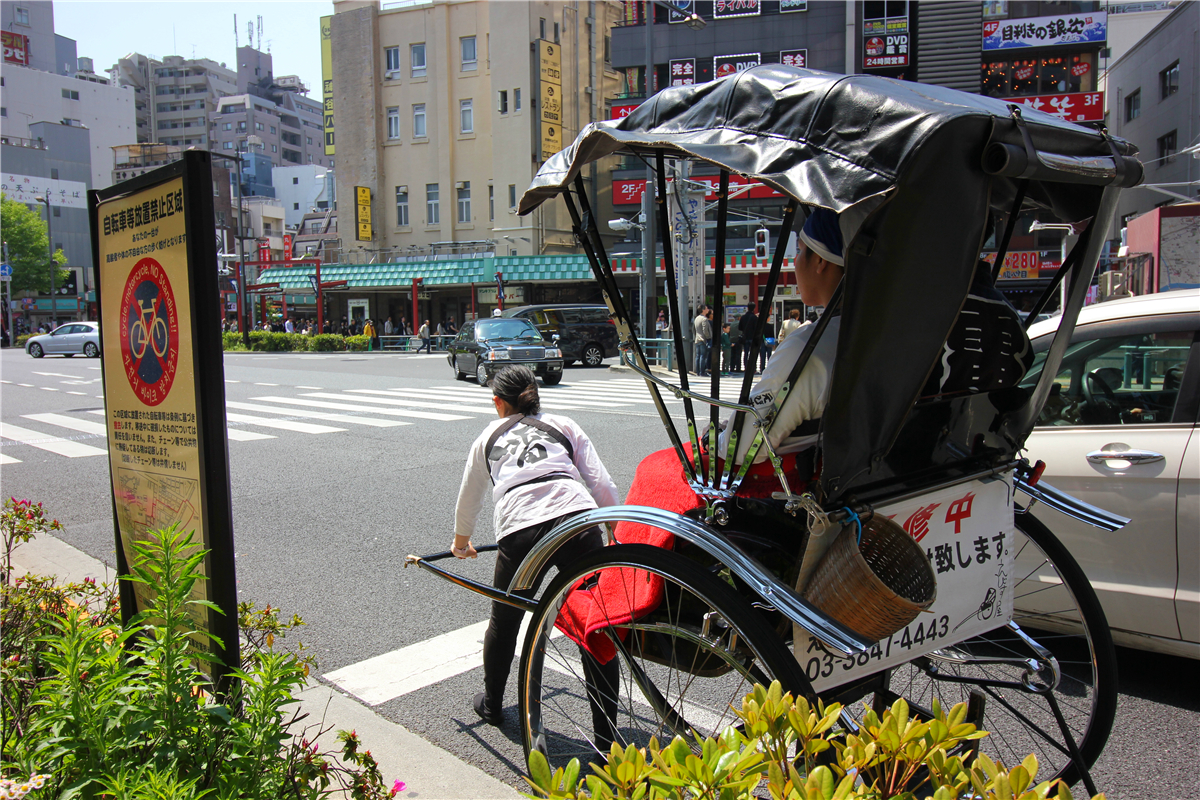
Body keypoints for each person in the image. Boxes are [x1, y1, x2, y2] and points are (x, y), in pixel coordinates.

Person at [451, 365, 621, 740]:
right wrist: (615, 530)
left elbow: (470, 498)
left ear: (498, 402)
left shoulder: (487, 437)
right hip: (577, 522)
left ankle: (493, 704)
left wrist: (461, 543)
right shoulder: (563, 424)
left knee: (505, 620)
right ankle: (608, 737)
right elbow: (600, 481)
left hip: (521, 529)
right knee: (593, 622)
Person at [716, 207, 844, 467]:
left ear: (820, 261)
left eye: (799, 251)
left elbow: (740, 449)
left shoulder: (807, 347)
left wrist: (715, 436)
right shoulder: (892, 333)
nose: (795, 262)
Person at [737, 304, 759, 373]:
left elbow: (739, 328)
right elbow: (757, 328)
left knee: (746, 353)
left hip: (745, 338)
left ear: (747, 308)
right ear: (754, 308)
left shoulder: (743, 317)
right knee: (753, 353)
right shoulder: (754, 318)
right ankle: (753, 368)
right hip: (752, 338)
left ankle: (746, 367)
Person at [692, 304, 712, 376]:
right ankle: (702, 372)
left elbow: (693, 329)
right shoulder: (704, 319)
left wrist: (697, 335)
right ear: (703, 310)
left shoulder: (696, 318)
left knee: (698, 356)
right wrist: (708, 337)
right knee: (703, 356)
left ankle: (698, 372)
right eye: (706, 308)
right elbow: (705, 330)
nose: (708, 310)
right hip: (703, 339)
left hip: (697, 339)